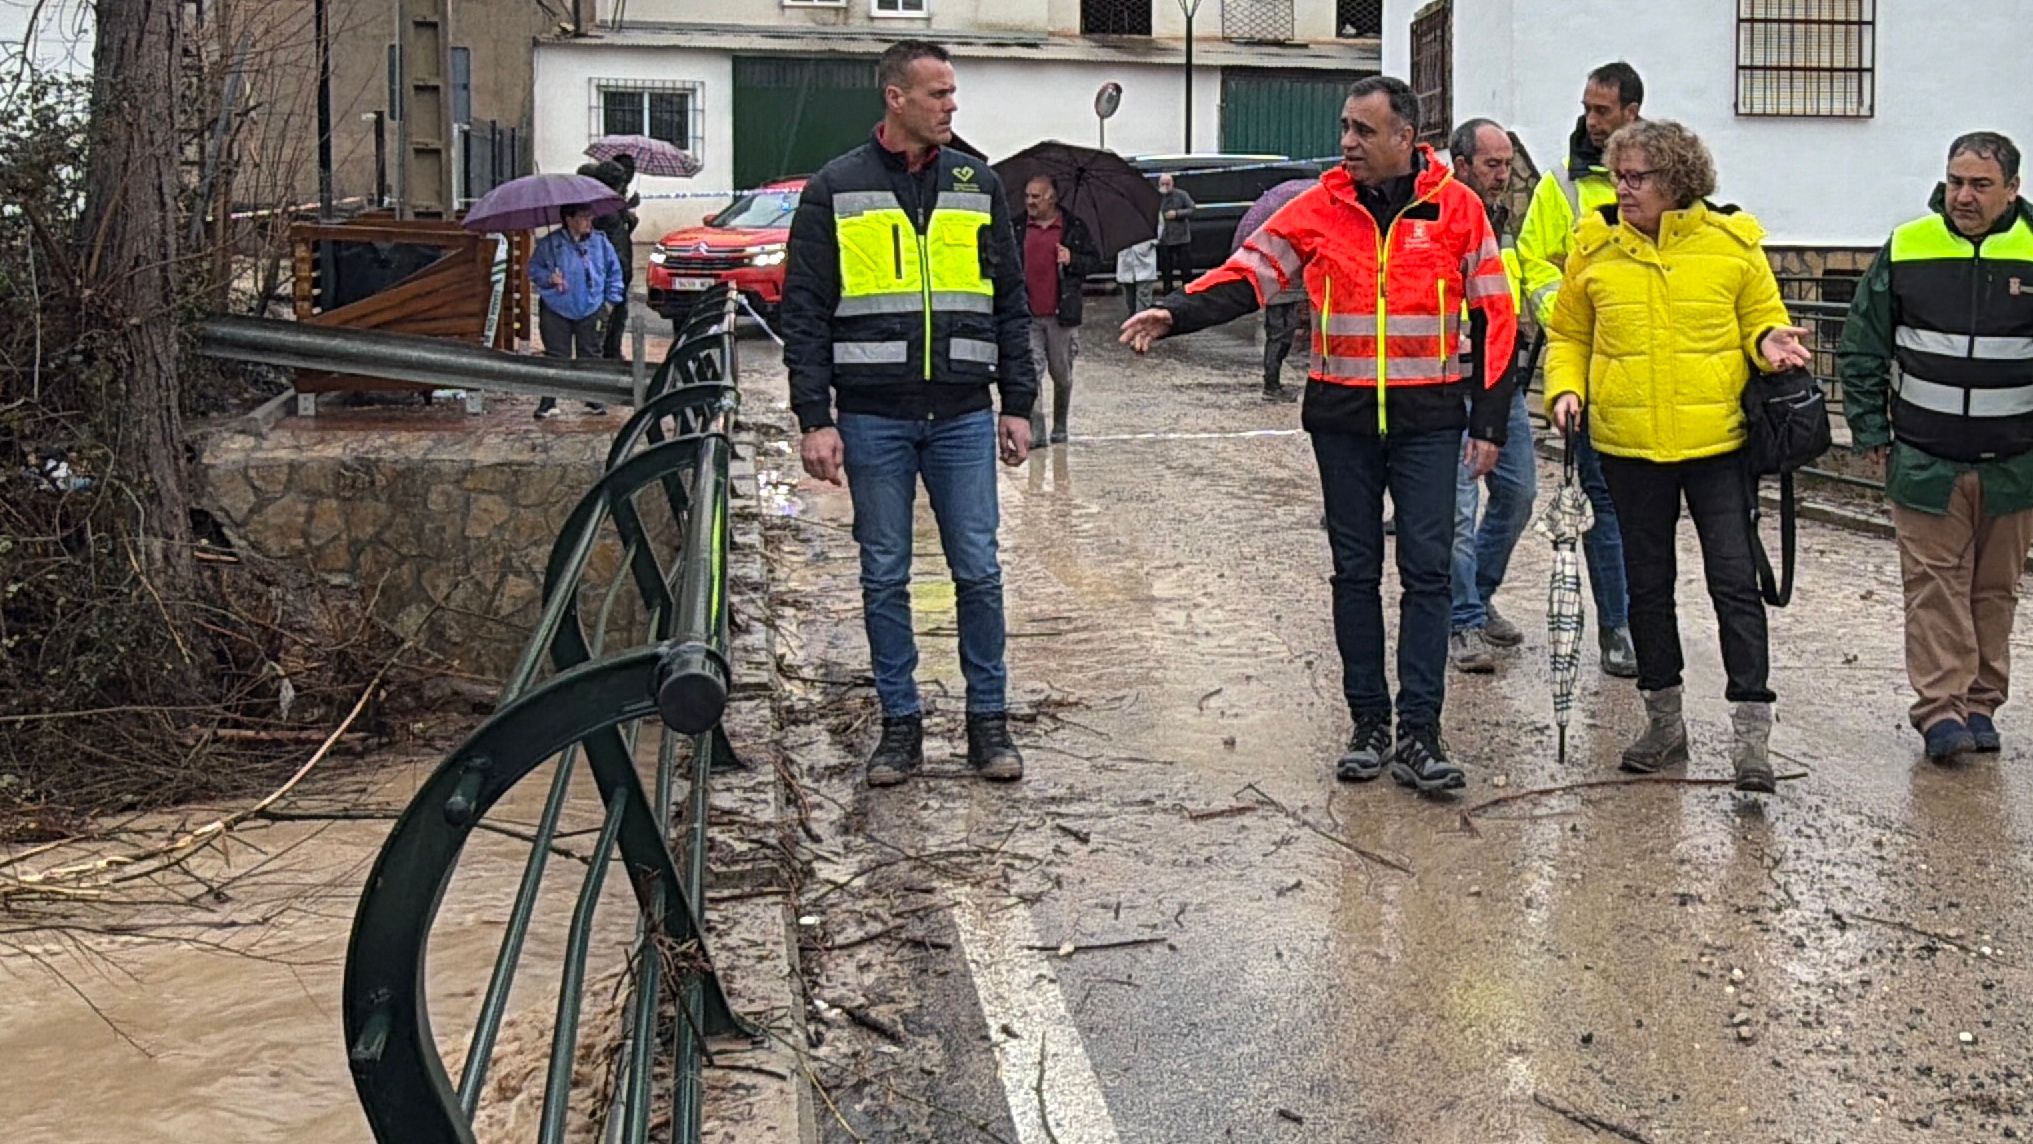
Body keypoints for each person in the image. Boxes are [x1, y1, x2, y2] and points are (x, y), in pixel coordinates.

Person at [1122, 76, 1518, 795]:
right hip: (1343, 422)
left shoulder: (1455, 208)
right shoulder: (1318, 206)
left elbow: (1496, 317)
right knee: (1354, 573)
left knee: (1428, 574)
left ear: (1405, 137)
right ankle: (1367, 725)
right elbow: (1248, 274)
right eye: (1344, 127)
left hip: (1429, 422)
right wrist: (1175, 312)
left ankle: (1420, 733)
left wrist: (1488, 422)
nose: (1347, 142)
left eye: (1363, 130)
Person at [780, 39, 1037, 788]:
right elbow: (804, 311)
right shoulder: (836, 187)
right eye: (938, 93)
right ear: (896, 98)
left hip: (962, 413)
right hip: (871, 417)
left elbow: (1010, 302)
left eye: (952, 93)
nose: (951, 105)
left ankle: (988, 722)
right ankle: (900, 727)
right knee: (884, 574)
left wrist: (1018, 404)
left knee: (978, 571)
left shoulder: (978, 183)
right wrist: (814, 417)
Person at [1544, 119, 1813, 793]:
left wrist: (1769, 344)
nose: (1623, 189)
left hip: (1717, 446)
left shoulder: (1732, 244)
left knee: (1734, 584)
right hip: (1628, 447)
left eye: (1637, 177)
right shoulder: (1594, 249)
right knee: (1647, 588)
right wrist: (1566, 389)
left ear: (1678, 180)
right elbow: (1570, 335)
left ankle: (1751, 739)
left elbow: (1760, 320)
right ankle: (1663, 723)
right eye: (1618, 176)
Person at [1838, 132, 2033, 766]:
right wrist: (1871, 429)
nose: (1963, 196)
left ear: (2012, 189)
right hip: (1925, 458)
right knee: (1933, 586)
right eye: (1956, 181)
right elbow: (1863, 344)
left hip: (2015, 464)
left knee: (1994, 589)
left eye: (1980, 184)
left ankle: (1982, 703)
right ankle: (1941, 710)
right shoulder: (1908, 246)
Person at [1516, 61, 1644, 679]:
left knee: (1648, 506)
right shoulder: (1561, 185)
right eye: (1588, 108)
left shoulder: (1661, 179)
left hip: (1650, 370)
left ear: (1631, 113)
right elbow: (1534, 261)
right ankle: (1617, 626)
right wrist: (1566, 315)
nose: (1591, 120)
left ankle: (1644, 620)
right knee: (1604, 501)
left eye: (1602, 110)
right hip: (1588, 368)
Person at [1444, 117, 1533, 674]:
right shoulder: (1439, 216)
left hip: (1500, 382)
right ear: (1461, 166)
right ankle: (1463, 620)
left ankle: (1476, 592)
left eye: (1506, 165)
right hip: (1448, 383)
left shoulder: (1502, 219)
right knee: (1458, 510)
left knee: (1519, 493)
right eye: (1492, 165)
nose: (1503, 175)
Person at [1019, 175, 1101, 444]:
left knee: (1062, 375)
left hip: (1061, 316)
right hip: (1028, 315)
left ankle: (1060, 425)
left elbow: (1094, 262)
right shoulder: (1017, 226)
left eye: (1036, 196)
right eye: (1027, 196)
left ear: (1052, 198)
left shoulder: (1073, 227)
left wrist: (1072, 259)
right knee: (1031, 373)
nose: (1030, 201)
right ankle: (1037, 433)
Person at [529, 201, 624, 419]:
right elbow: (534, 269)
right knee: (556, 356)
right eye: (583, 217)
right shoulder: (550, 244)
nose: (589, 221)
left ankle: (593, 397)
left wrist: (610, 303)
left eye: (590, 217)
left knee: (591, 355)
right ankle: (548, 401)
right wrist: (549, 278)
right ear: (569, 219)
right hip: (556, 308)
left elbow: (614, 272)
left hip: (592, 307)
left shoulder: (601, 242)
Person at [587, 156, 641, 362]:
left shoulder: (611, 204)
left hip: (619, 263)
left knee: (618, 312)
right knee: (607, 314)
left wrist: (628, 213)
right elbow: (609, 233)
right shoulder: (603, 205)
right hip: (611, 266)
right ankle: (602, 355)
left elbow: (622, 229)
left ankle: (611, 351)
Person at [1156, 173, 1195, 294]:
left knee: (1185, 268)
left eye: (1168, 184)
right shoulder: (1156, 196)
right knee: (1166, 269)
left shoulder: (1181, 195)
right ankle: (1168, 292)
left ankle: (1187, 291)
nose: (1165, 186)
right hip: (1164, 238)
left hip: (1181, 238)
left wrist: (1177, 214)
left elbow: (1192, 209)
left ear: (1172, 183)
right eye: (1163, 184)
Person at [1116, 237, 1158, 320]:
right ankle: (1133, 319)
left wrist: (1152, 242)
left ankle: (1141, 321)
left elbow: (1158, 230)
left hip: (1144, 256)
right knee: (1129, 297)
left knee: (1143, 296)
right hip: (1126, 256)